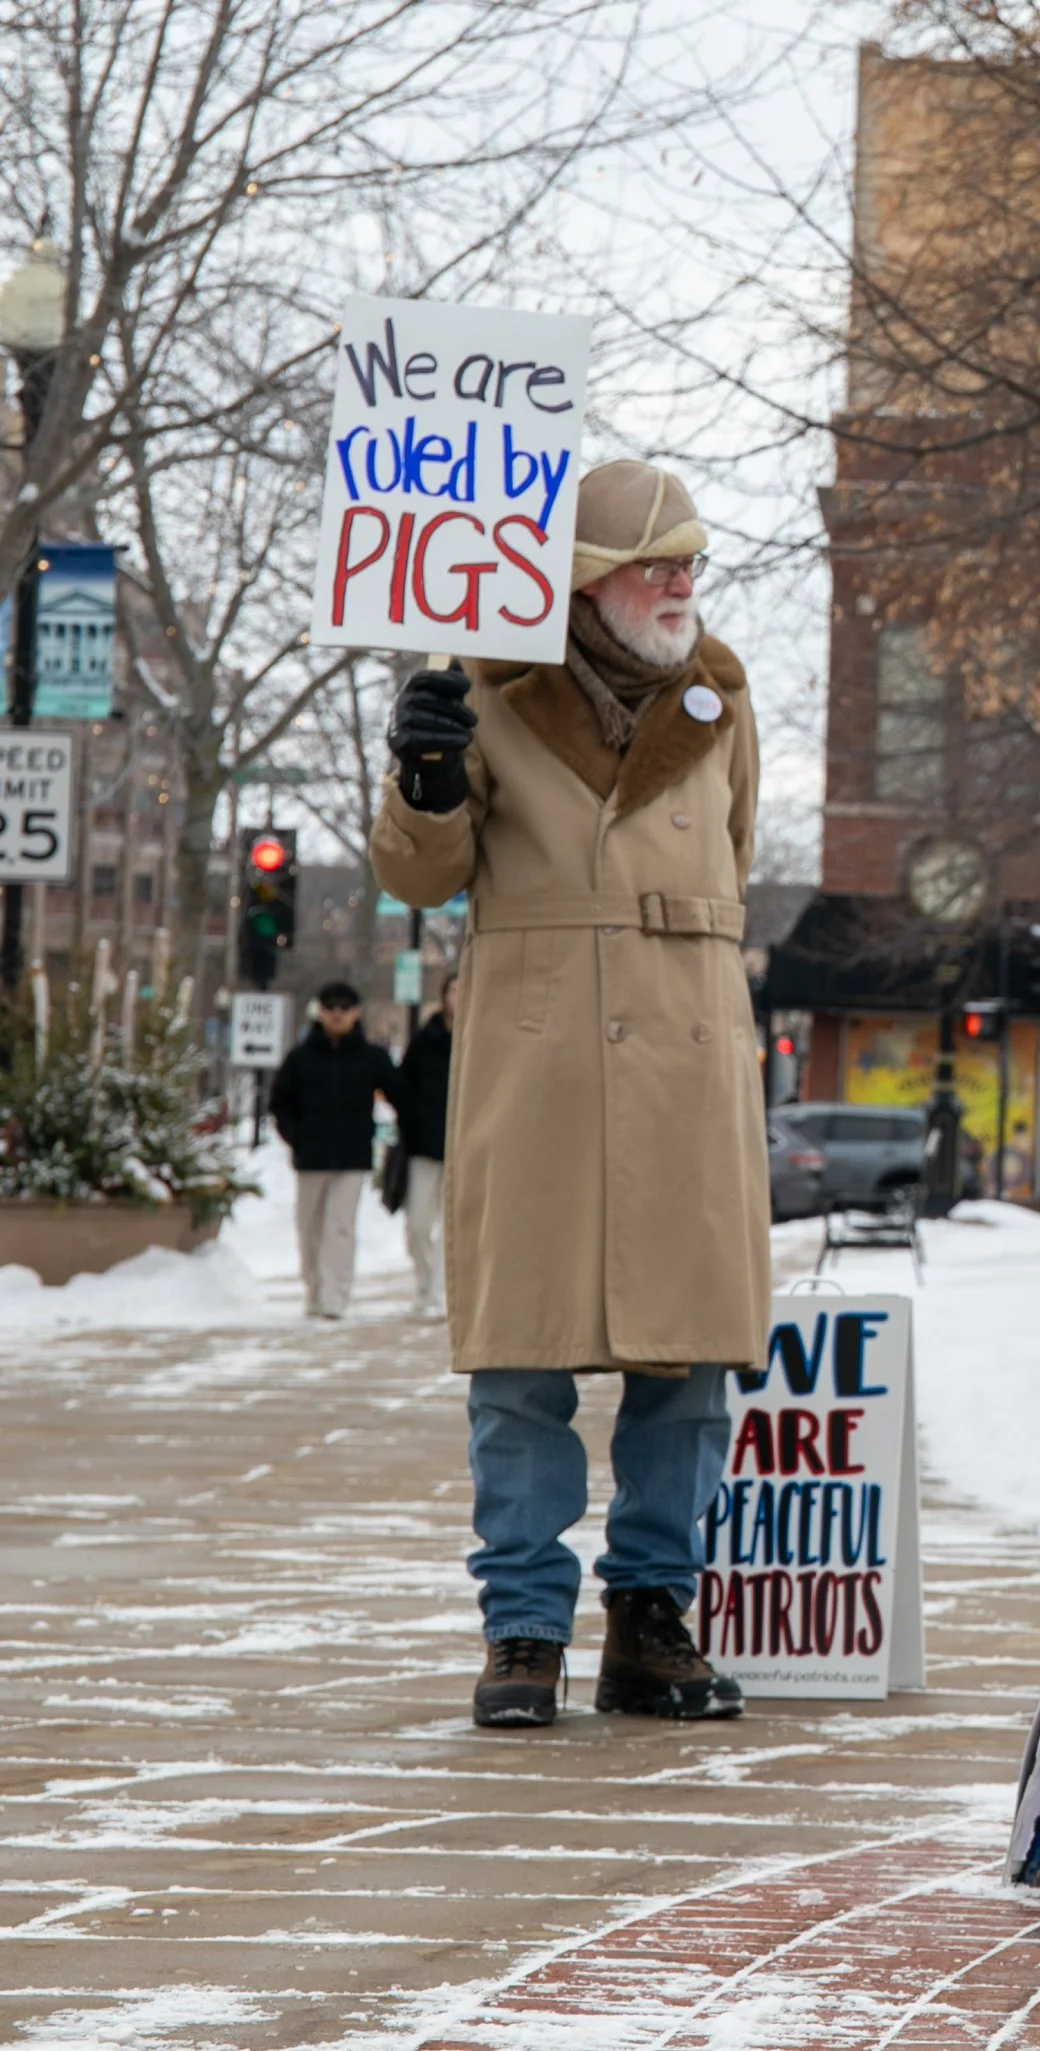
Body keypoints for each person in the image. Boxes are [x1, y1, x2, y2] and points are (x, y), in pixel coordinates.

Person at [372, 459, 770, 1732]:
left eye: (689, 563)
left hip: (688, 1052)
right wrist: (426, 777)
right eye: (656, 562)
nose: (679, 584)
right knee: (519, 1358)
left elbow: (738, 853)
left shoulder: (723, 699)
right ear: (583, 579)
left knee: (690, 1360)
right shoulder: (483, 694)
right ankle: (525, 1625)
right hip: (538, 1057)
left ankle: (652, 1616)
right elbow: (418, 875)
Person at [267, 981, 402, 1320]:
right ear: (320, 1012)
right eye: (331, 1008)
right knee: (310, 1228)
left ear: (356, 1012)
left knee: (339, 1227)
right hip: (310, 1157)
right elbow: (280, 1103)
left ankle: (336, 1295)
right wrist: (295, 1136)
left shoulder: (372, 1058)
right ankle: (314, 1290)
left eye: (345, 1008)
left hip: (352, 1156)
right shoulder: (299, 1059)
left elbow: (403, 1096)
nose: (338, 1015)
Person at [398, 971, 456, 1320]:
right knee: (418, 1225)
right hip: (424, 1146)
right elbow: (402, 1085)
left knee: (455, 1228)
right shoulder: (425, 1040)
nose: (459, 996)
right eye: (453, 990)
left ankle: (441, 1292)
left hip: (465, 1149)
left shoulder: (481, 1037)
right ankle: (424, 1284)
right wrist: (413, 1121)